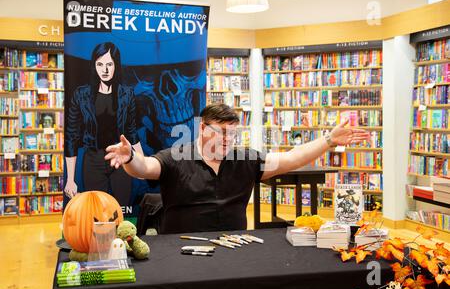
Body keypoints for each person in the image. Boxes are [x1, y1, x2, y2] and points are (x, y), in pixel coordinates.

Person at [104, 103, 369, 234]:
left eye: (233, 134)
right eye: (221, 133)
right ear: (204, 129)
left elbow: (291, 159)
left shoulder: (245, 160)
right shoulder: (176, 157)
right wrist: (129, 158)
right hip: (181, 249)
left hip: (236, 246)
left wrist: (329, 140)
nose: (228, 140)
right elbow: (145, 168)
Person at [64, 42, 143, 205]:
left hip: (120, 159)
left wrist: (142, 163)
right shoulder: (81, 95)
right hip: (93, 160)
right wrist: (70, 179)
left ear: (116, 65)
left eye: (109, 64)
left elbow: (131, 131)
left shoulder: (127, 94)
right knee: (96, 212)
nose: (105, 69)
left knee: (121, 209)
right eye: (100, 64)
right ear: (94, 65)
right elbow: (71, 136)